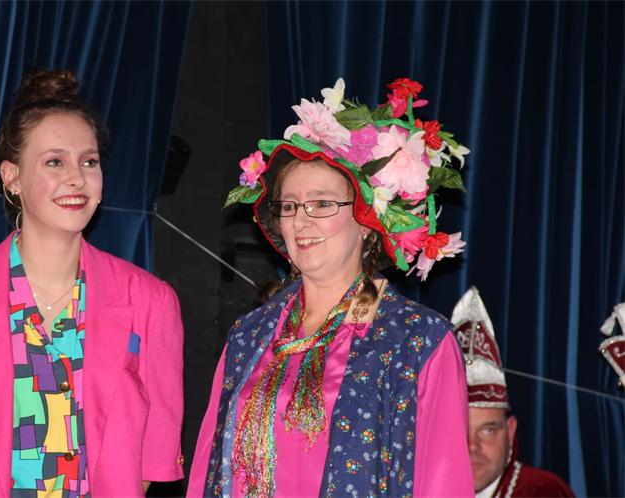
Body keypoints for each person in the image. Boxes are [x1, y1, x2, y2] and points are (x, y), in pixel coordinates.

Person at [0, 68, 184, 497]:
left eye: (89, 162)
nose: (77, 177)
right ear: (12, 177)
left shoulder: (152, 303)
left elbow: (151, 462)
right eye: (54, 162)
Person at [188, 78, 474, 497]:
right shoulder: (249, 335)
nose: (301, 220)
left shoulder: (415, 340)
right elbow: (206, 471)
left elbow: (443, 484)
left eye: (322, 203)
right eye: (289, 206)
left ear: (366, 222)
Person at [451, 287, 575, 498]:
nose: (472, 447)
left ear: (510, 431)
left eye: (488, 430)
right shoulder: (415, 488)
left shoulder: (542, 492)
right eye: (458, 431)